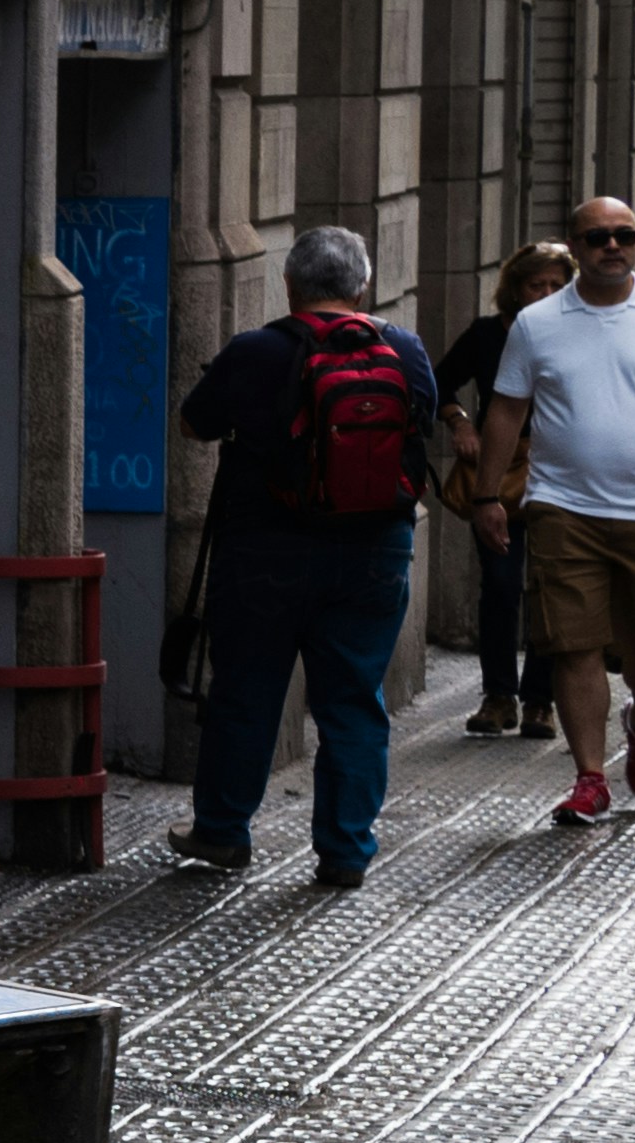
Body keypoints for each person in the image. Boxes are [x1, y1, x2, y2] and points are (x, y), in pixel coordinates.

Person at [169, 224, 439, 889]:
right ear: (362, 286)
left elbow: (194, 423)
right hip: (377, 552)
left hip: (265, 550)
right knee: (353, 701)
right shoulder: (403, 349)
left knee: (247, 694)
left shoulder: (255, 349)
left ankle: (223, 834)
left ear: (288, 284)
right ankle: (346, 851)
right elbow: (423, 423)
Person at [483, 193, 635, 826]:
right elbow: (508, 410)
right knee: (574, 643)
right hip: (562, 506)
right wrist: (488, 494)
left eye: (625, 235)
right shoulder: (536, 324)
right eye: (598, 238)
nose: (613, 247)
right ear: (576, 247)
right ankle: (589, 776)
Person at [444, 240, 572, 735]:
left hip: (561, 475)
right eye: (535, 284)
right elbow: (440, 381)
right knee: (499, 586)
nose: (544, 293)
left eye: (556, 286)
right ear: (514, 289)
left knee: (549, 588)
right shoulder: (486, 334)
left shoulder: (580, 333)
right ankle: (499, 695)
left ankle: (541, 700)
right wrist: (459, 423)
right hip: (499, 473)